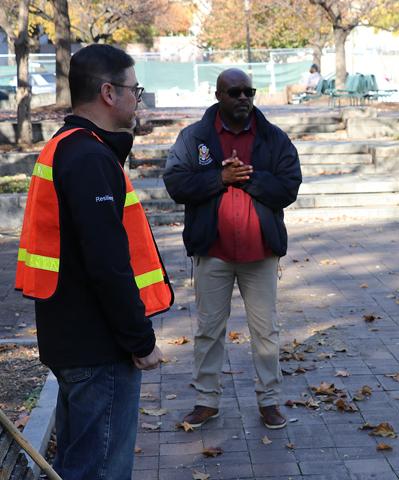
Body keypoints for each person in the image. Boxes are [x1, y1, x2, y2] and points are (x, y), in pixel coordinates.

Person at [15, 44, 173, 479]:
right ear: (108, 92)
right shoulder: (88, 157)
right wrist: (140, 341)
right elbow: (107, 263)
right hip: (98, 347)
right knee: (100, 469)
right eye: (134, 90)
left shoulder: (69, 147)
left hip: (75, 338)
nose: (137, 99)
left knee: (79, 464)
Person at [164, 68, 301, 430]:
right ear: (219, 95)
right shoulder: (195, 138)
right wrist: (219, 179)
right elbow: (176, 183)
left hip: (261, 253)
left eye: (249, 92)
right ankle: (206, 401)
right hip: (213, 251)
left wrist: (251, 177)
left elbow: (289, 186)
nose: (243, 98)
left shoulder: (273, 138)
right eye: (235, 92)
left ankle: (269, 400)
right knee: (209, 329)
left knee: (266, 330)